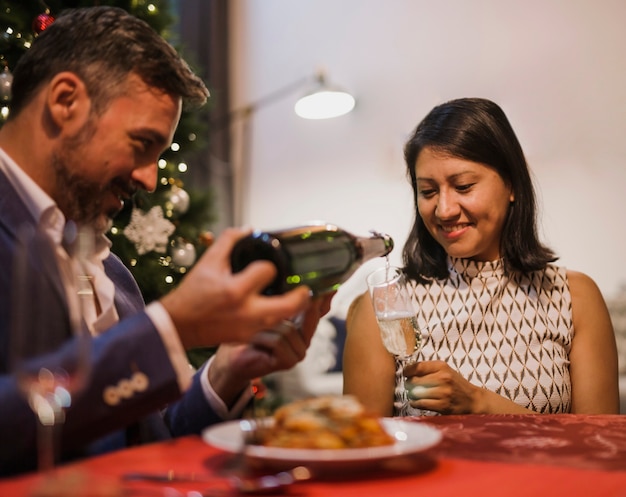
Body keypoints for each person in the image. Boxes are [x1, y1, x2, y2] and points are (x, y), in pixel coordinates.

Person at [0, 6, 333, 476]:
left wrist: (228, 370)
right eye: (141, 144)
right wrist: (170, 330)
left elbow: (144, 442)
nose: (150, 180)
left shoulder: (112, 272)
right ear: (65, 102)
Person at [343, 97, 619, 417]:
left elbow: (597, 446)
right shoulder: (386, 305)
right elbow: (363, 447)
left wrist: (480, 403)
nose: (444, 210)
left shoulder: (573, 297)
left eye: (463, 186)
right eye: (428, 192)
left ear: (512, 185)